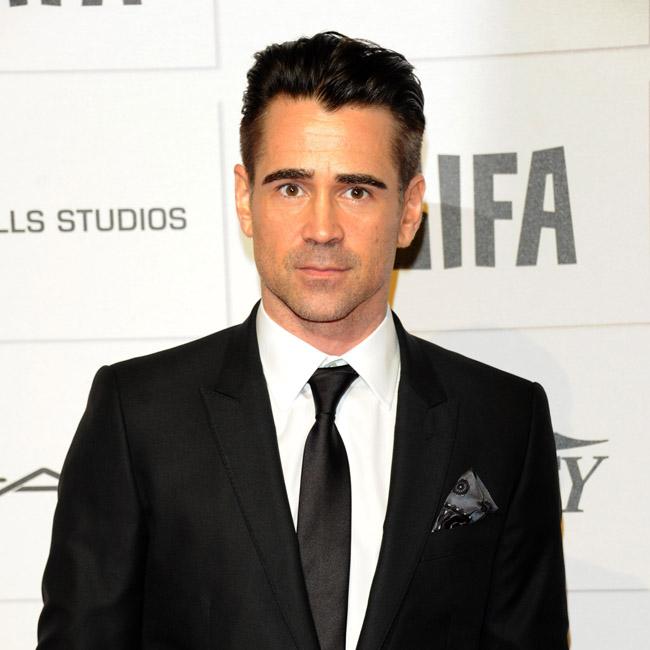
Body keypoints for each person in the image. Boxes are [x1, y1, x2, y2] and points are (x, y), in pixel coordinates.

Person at [37, 31, 569, 650]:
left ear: (408, 211)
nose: (322, 228)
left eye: (356, 190)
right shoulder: (140, 415)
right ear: (245, 199)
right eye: (290, 187)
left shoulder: (503, 421)